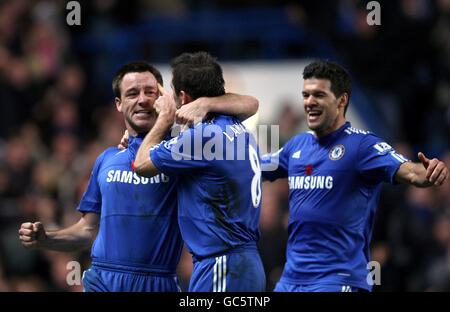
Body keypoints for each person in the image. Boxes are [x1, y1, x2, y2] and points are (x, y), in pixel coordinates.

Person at [18, 61, 259, 292]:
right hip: (103, 279)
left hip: (158, 281)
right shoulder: (107, 159)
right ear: (119, 104)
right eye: (132, 93)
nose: (142, 99)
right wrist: (48, 238)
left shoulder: (183, 153)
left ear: (164, 99)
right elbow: (87, 230)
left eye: (150, 92)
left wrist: (205, 103)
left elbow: (250, 104)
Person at [261, 60, 449, 292]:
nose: (309, 102)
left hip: (337, 280)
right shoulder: (297, 146)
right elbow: (255, 168)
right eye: (306, 95)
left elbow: (410, 171)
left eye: (318, 95)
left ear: (342, 100)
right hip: (292, 281)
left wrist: (429, 172)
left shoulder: (362, 146)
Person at [134, 52, 266, 292]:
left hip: (222, 266)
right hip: (246, 264)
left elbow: (141, 164)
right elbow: (251, 103)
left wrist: (164, 119)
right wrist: (204, 104)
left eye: (172, 92)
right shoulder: (238, 127)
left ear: (184, 97)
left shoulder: (203, 139)